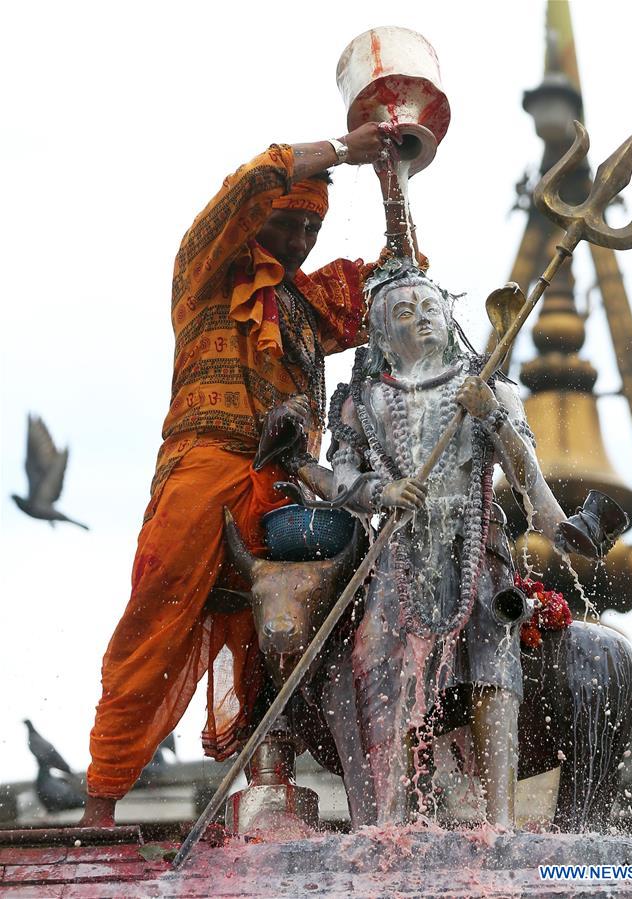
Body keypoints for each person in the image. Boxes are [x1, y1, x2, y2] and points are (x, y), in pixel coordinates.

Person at [81, 122, 404, 827]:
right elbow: (256, 176)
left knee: (273, 632)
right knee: (156, 613)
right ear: (260, 218)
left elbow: (399, 281)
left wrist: (390, 182)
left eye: (311, 230)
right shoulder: (208, 267)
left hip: (287, 487)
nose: (299, 243)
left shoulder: (309, 303)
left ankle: (273, 778)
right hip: (203, 468)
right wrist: (347, 149)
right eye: (288, 224)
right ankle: (99, 800)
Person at [328, 267, 574, 827]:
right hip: (397, 556)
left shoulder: (490, 386)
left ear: (449, 312)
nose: (422, 318)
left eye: (429, 306)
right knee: (385, 665)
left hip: (477, 551)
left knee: (493, 657)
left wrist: (490, 414)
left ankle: (500, 820)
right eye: (404, 313)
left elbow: (528, 478)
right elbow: (341, 482)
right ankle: (391, 822)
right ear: (383, 335)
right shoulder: (360, 401)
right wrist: (383, 490)